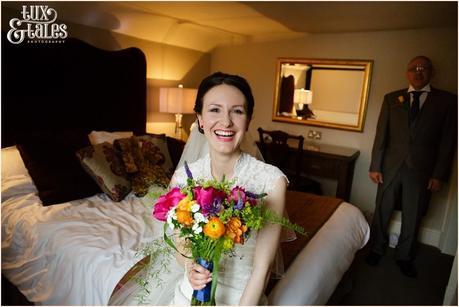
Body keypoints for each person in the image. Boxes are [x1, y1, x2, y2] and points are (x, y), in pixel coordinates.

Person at [110, 72, 288, 305]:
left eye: (237, 111)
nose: (226, 122)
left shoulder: (271, 181)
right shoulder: (184, 178)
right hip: (189, 292)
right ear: (200, 119)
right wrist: (189, 266)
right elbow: (178, 242)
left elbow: (262, 269)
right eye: (215, 110)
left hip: (243, 299)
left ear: (248, 119)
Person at [366, 56, 457, 278]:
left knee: (414, 213)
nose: (418, 72)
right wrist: (375, 166)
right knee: (382, 209)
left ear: (431, 72)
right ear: (407, 73)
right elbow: (381, 136)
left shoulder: (447, 101)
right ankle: (377, 248)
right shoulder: (391, 99)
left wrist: (439, 175)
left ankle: (404, 256)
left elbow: (448, 142)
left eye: (423, 68)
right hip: (389, 167)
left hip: (421, 170)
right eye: (413, 69)